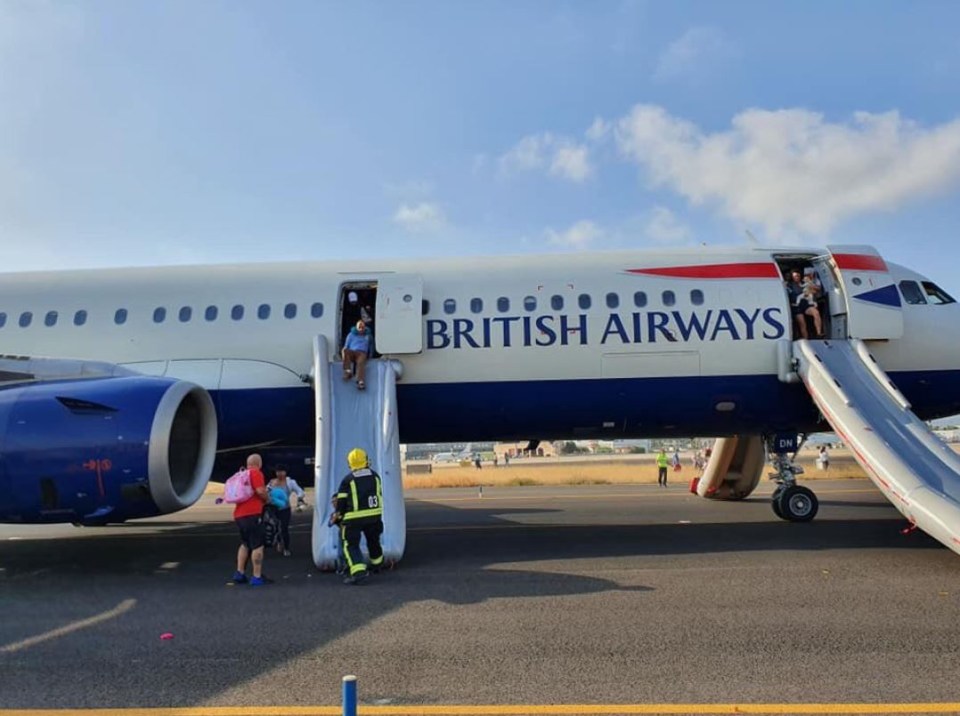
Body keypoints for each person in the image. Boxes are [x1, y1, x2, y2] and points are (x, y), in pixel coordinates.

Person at [332, 448, 385, 585]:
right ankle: (377, 565)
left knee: (351, 545)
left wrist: (337, 516)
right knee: (374, 541)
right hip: (374, 516)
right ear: (366, 460)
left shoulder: (348, 480)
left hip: (353, 519)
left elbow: (341, 502)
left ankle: (358, 572)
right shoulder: (375, 476)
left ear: (350, 463)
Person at [232, 454, 271, 586]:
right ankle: (256, 576)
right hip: (253, 513)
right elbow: (260, 491)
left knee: (245, 543)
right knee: (258, 545)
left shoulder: (241, 474)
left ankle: (240, 572)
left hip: (239, 514)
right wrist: (267, 499)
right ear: (259, 463)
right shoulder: (255, 473)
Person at [267, 464, 306, 556]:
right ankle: (279, 541)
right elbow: (266, 491)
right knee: (275, 527)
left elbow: (300, 491)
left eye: (281, 471)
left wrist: (300, 498)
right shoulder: (272, 482)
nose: (279, 474)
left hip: (285, 508)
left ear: (285, 472)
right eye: (277, 472)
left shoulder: (290, 482)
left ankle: (286, 548)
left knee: (284, 528)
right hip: (273, 508)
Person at [785, 269, 823, 339]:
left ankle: (819, 333)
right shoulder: (789, 285)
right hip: (796, 306)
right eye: (795, 276)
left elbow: (815, 290)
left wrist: (810, 286)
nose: (797, 277)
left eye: (798, 276)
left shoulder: (804, 283)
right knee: (802, 324)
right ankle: (806, 339)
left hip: (805, 304)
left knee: (816, 313)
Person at [342, 319, 374, 390]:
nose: (361, 328)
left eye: (362, 327)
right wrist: (343, 354)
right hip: (352, 352)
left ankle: (360, 381)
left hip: (362, 353)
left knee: (361, 362)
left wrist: (371, 355)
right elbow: (346, 345)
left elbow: (371, 346)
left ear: (365, 328)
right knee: (345, 351)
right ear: (356, 327)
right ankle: (348, 371)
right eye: (359, 327)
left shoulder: (368, 336)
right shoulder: (351, 335)